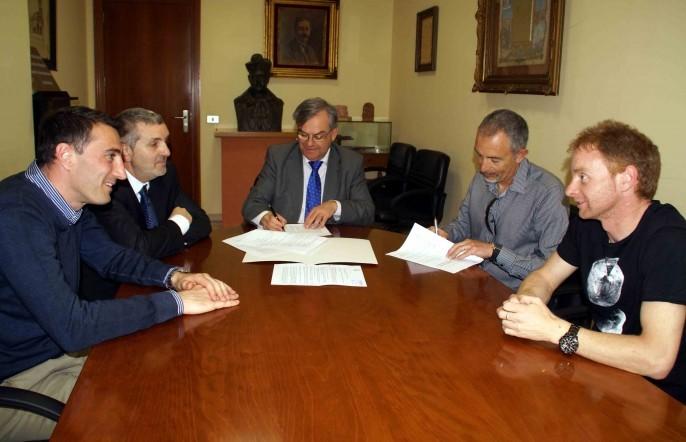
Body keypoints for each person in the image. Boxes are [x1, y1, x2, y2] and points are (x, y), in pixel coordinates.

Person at [0, 107, 239, 441]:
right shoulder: (17, 215)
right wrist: (176, 303)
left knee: (166, 378)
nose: (121, 173)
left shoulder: (66, 203)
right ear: (66, 155)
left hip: (55, 358)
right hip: (17, 381)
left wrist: (175, 277)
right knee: (151, 416)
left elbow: (113, 258)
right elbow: (73, 326)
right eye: (110, 156)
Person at [497, 120, 686, 403]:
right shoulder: (589, 223)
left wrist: (555, 330)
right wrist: (526, 306)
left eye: (583, 177)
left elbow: (657, 359)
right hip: (602, 375)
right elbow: (544, 278)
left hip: (659, 399)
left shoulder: (669, 242)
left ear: (626, 179)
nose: (570, 190)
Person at [79, 107, 211, 301]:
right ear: (126, 151)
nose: (166, 151)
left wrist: (159, 242)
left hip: (159, 277)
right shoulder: (107, 188)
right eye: (154, 144)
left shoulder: (164, 174)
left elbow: (202, 222)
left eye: (166, 142)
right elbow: (138, 250)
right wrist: (179, 224)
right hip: (115, 294)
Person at [434, 109, 568, 290]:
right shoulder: (481, 178)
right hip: (471, 279)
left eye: (494, 160)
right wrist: (445, 234)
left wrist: (494, 252)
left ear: (520, 155)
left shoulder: (547, 193)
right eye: (479, 156)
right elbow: (463, 225)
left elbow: (550, 268)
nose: (483, 167)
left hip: (513, 293)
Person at [242, 97, 374, 230]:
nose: (309, 143)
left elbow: (367, 211)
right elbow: (252, 203)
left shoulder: (350, 162)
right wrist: (265, 217)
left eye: (318, 136)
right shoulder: (279, 157)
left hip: (331, 241)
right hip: (286, 239)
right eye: (303, 135)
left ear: (333, 134)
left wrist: (334, 206)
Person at [234, 54, 284, 131]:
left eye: (261, 77)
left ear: (267, 79)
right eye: (254, 77)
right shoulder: (239, 103)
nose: (258, 81)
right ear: (249, 79)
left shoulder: (277, 104)